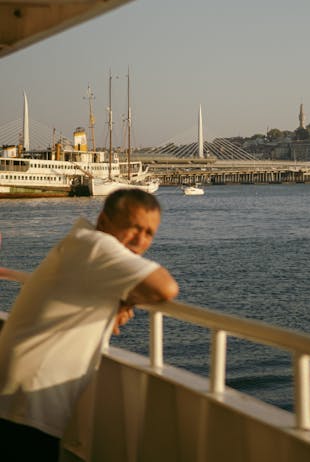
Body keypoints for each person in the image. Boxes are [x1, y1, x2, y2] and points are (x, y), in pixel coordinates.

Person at [0, 188, 178, 461]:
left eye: (149, 233)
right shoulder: (98, 246)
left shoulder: (81, 244)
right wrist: (128, 298)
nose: (140, 240)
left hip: (18, 393)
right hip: (26, 400)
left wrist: (123, 298)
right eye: (133, 227)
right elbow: (165, 288)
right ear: (104, 220)